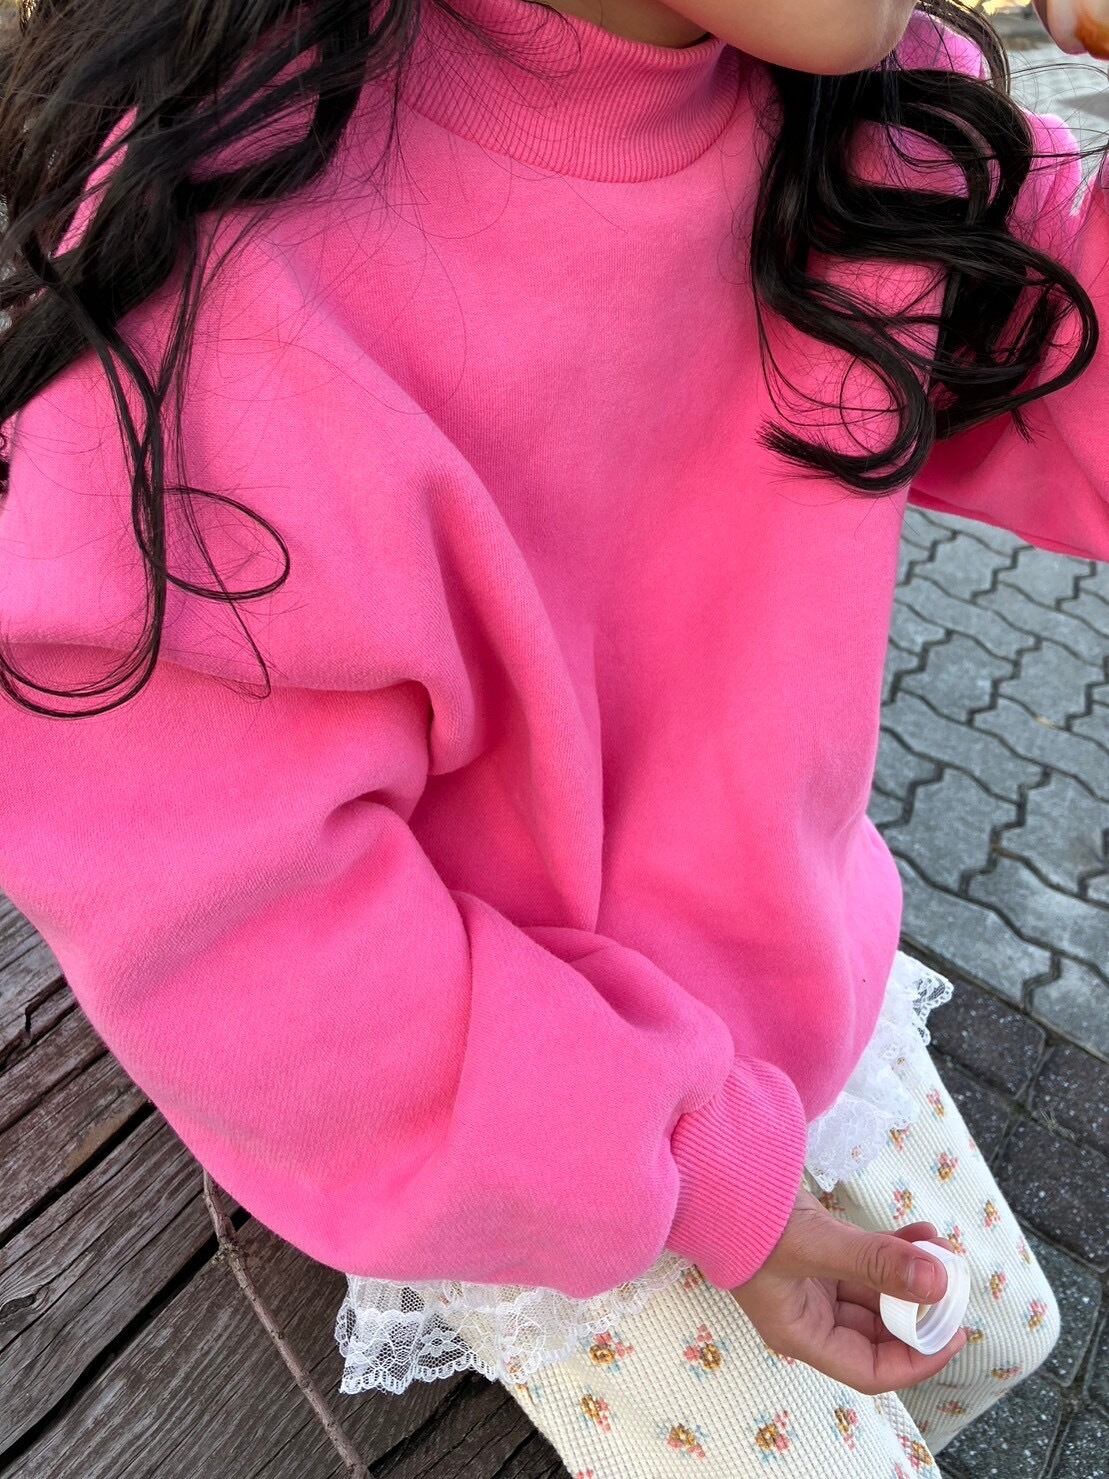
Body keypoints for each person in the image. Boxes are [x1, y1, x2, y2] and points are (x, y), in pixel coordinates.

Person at [0, 0, 1104, 1472]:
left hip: (800, 980)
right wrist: (700, 1169)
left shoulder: (883, 119)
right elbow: (232, 917)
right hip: (533, 1110)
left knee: (1002, 1338)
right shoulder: (236, 249)